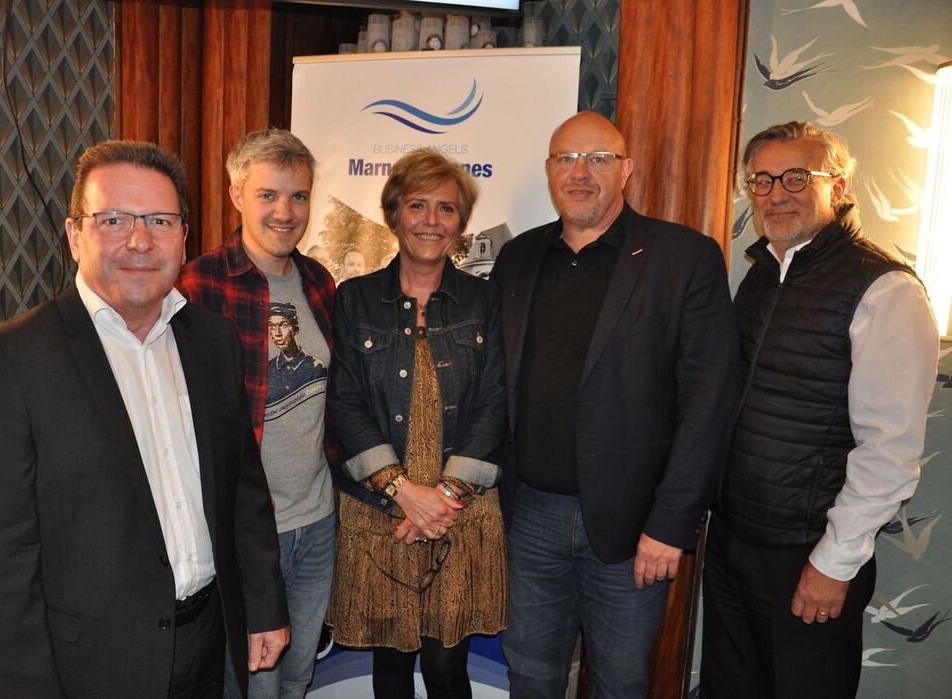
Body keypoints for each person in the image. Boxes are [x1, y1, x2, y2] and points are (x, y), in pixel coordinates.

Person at [0, 140, 289, 698]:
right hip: (88, 666)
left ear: (184, 236)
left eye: (159, 220)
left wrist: (264, 603)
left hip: (207, 645)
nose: (139, 240)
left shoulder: (211, 339)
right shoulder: (9, 361)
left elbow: (243, 489)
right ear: (74, 234)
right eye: (113, 219)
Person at [490, 111, 740, 698]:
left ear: (625, 170)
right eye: (566, 160)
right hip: (527, 516)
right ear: (549, 172)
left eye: (598, 159)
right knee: (529, 675)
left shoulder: (684, 258)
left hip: (635, 528)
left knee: (621, 684)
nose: (581, 172)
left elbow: (709, 403)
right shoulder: (517, 258)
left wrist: (670, 524)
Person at [700, 121, 939, 698]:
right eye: (761, 180)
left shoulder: (884, 289)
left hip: (809, 554)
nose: (776, 193)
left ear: (839, 184)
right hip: (734, 542)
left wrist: (834, 563)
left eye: (796, 177)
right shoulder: (760, 277)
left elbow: (890, 450)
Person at [327, 148, 506, 698]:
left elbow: (496, 401)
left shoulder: (485, 298)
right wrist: (403, 492)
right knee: (392, 665)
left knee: (448, 665)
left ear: (461, 224)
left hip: (461, 512)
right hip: (383, 511)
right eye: (417, 205)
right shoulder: (354, 298)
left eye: (446, 209)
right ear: (394, 214)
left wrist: (444, 497)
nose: (431, 220)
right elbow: (344, 402)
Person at [177, 129, 336, 699]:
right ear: (236, 195)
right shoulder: (199, 284)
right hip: (247, 533)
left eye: (299, 196)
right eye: (269, 195)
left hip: (317, 522)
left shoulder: (319, 282)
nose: (285, 212)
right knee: (253, 689)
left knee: (296, 681)